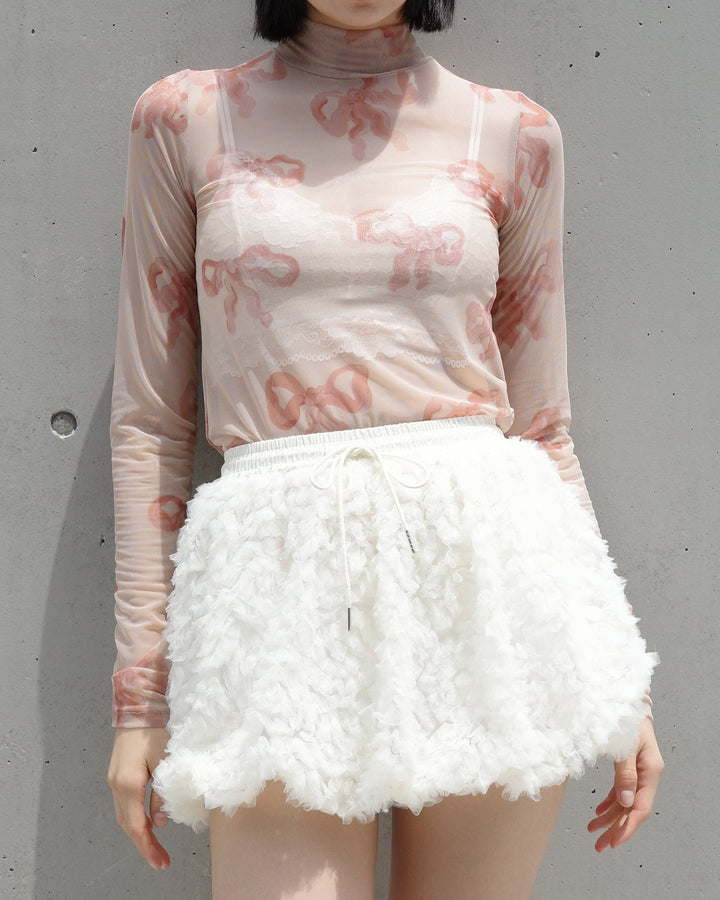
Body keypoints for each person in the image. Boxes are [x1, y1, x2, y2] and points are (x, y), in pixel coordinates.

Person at [106, 1, 664, 897]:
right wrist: (142, 698)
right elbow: (150, 423)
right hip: (275, 581)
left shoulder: (514, 132)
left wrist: (620, 680)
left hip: (486, 580)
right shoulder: (185, 118)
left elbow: (541, 426)